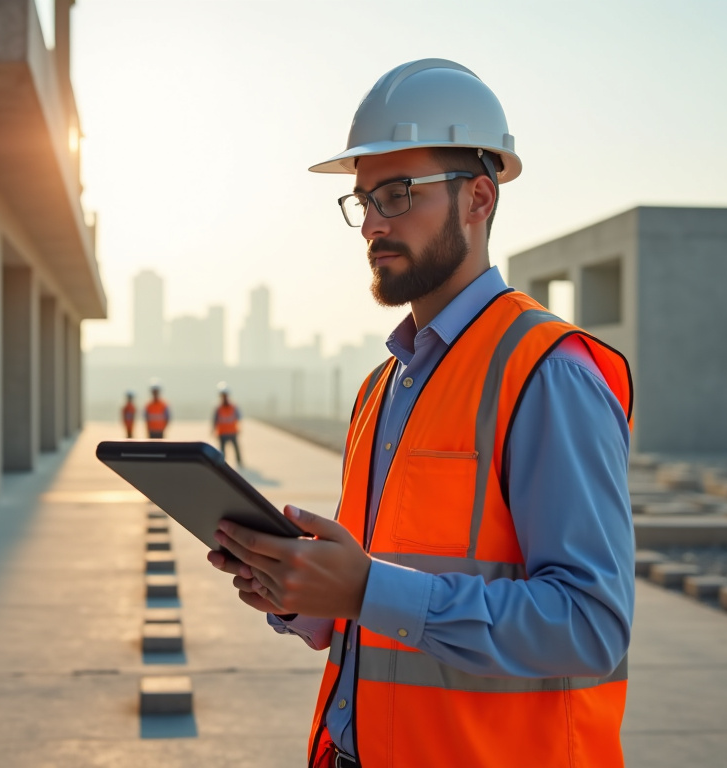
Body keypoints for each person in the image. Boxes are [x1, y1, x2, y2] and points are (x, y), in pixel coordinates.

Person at [206, 59, 634, 768]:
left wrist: (367, 587)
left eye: (398, 195)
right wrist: (301, 593)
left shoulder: (548, 373)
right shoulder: (383, 387)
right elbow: (381, 595)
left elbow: (590, 625)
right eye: (364, 199)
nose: (371, 222)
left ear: (478, 199)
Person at [211, 382, 242, 466]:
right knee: (222, 451)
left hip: (232, 431)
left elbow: (239, 417)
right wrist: (213, 430)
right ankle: (222, 464)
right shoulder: (218, 408)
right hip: (222, 432)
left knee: (236, 448)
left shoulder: (233, 407)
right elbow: (215, 420)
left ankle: (239, 462)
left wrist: (239, 428)